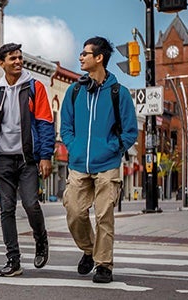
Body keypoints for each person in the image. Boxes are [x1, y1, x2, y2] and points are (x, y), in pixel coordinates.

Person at [60, 36, 138, 284]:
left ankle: (103, 265)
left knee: (104, 215)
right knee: (74, 212)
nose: (81, 57)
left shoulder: (119, 93)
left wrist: (113, 149)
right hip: (78, 164)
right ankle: (89, 250)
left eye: (85, 53)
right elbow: (66, 127)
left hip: (107, 165)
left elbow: (130, 131)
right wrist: (73, 148)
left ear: (99, 58)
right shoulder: (74, 92)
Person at [0, 43, 53, 277]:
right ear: (1, 63)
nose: (18, 61)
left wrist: (45, 156)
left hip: (28, 159)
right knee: (6, 209)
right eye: (12, 58)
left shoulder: (35, 87)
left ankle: (40, 239)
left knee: (31, 203)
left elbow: (44, 122)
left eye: (20, 58)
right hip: (3, 159)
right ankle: (13, 260)